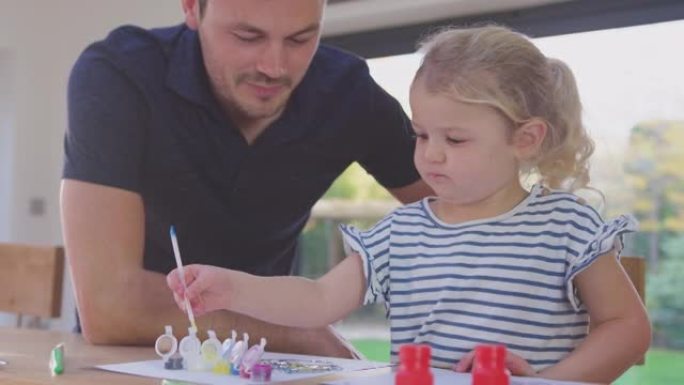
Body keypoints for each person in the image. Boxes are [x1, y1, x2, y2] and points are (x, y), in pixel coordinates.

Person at [167, 25, 652, 383]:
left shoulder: (566, 226)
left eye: (456, 139)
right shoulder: (401, 231)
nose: (430, 153)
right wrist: (233, 288)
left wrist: (547, 382)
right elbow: (318, 301)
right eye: (421, 134)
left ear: (525, 139)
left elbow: (626, 327)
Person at [60, 0, 431, 356]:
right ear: (191, 6)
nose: (274, 67)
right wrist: (299, 333)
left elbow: (471, 210)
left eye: (300, 39)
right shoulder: (120, 74)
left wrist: (482, 327)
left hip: (266, 365)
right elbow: (109, 309)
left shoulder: (349, 94)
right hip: (135, 357)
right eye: (247, 37)